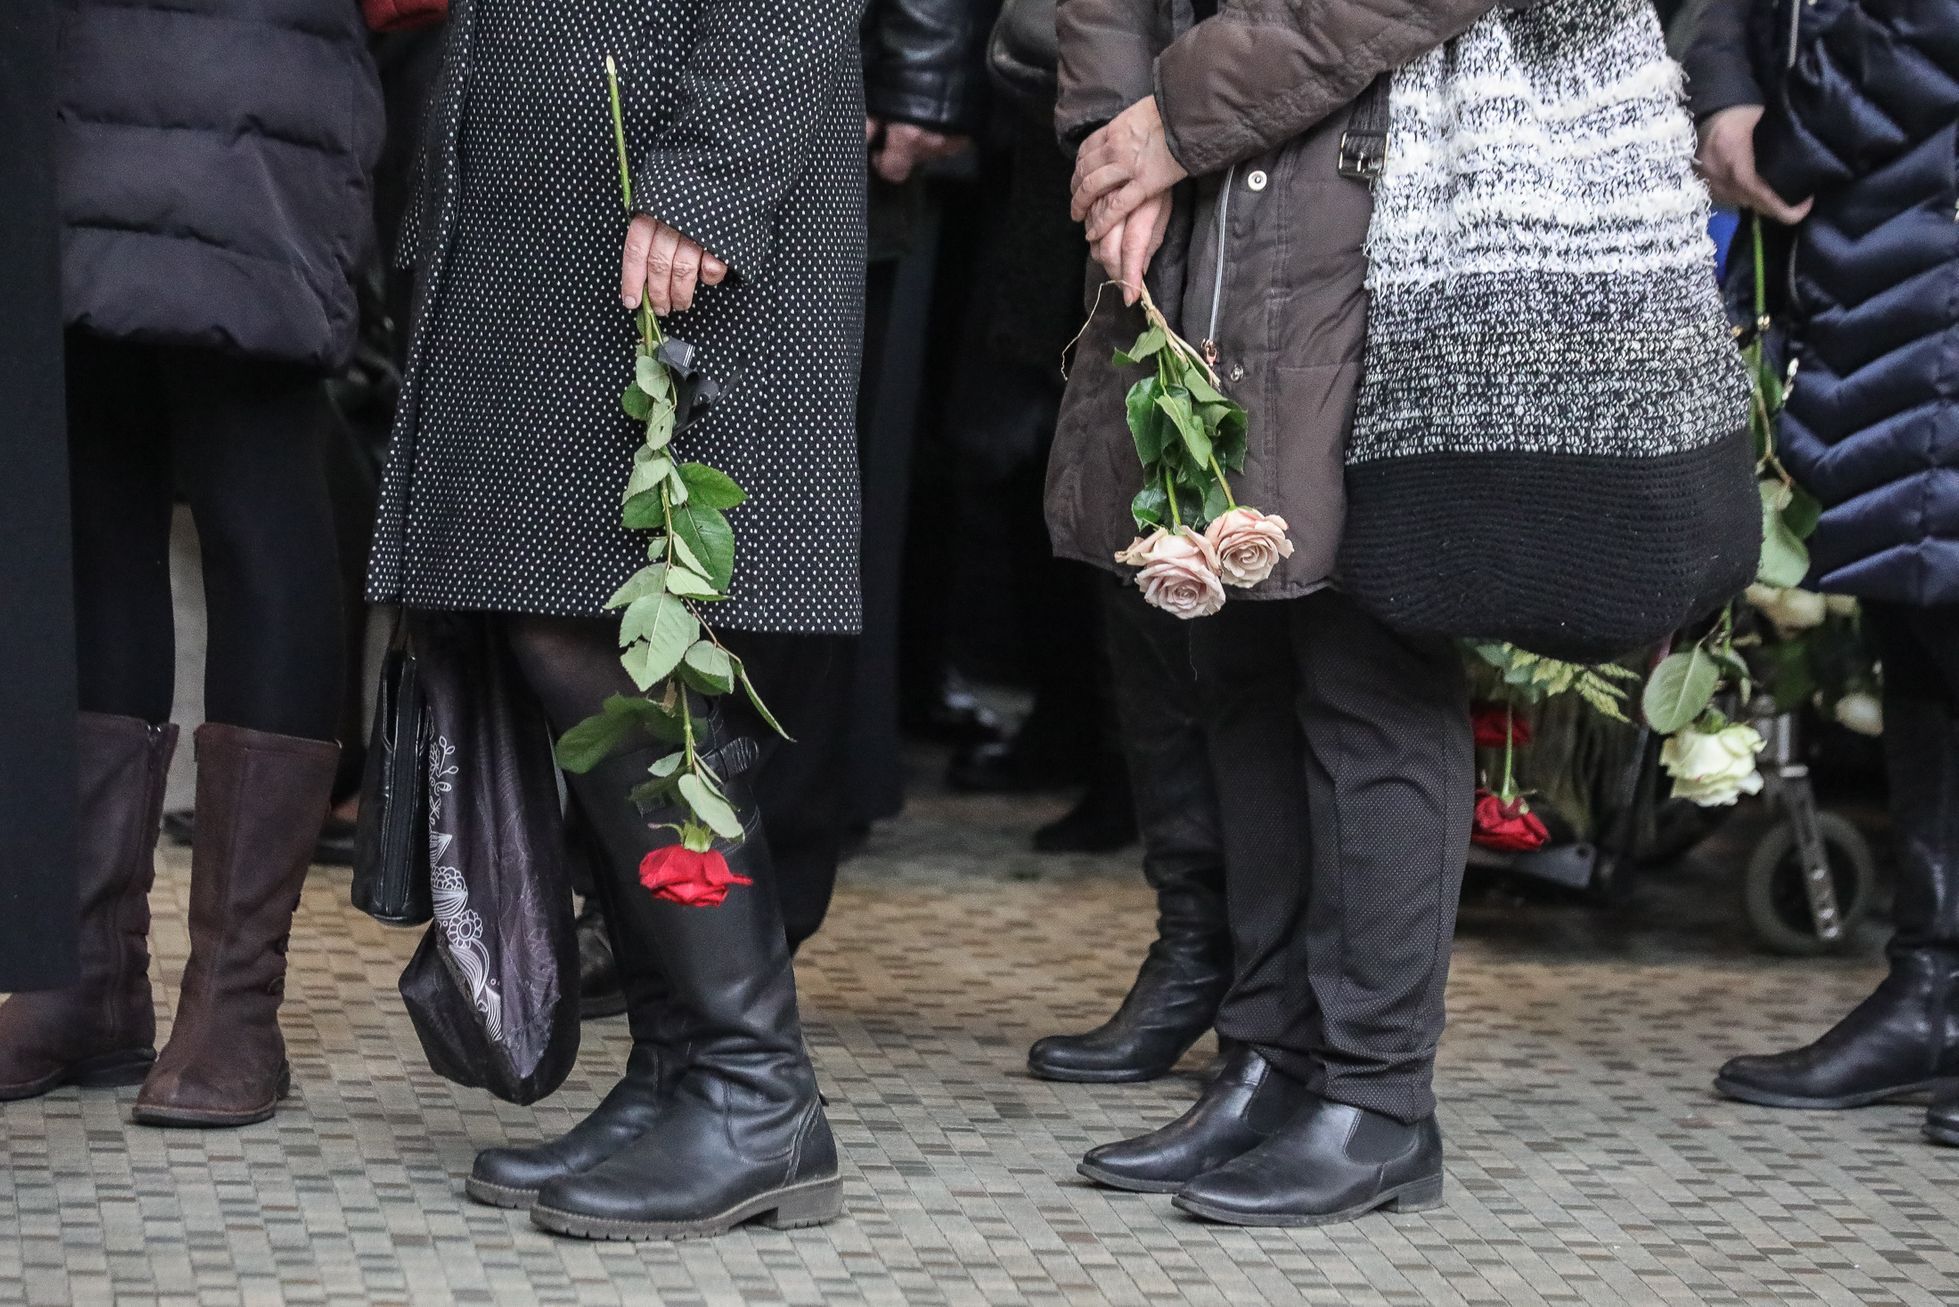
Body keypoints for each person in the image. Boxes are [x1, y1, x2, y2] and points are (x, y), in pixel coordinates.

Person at [366, 0, 865, 1238]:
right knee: (570, 627)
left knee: (619, 636)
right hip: (553, 206)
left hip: (661, 207)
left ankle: (756, 1090)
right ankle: (677, 1067)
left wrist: (712, 174)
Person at [1050, 0, 1498, 1227]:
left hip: (1382, 205)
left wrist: (1170, 118)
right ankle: (1268, 1054)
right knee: (1235, 648)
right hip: (1205, 211)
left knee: (1366, 662)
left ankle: (1377, 1096)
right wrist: (1111, 144)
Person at [0, 0, 381, 1127]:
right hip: (62, 69)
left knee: (256, 488)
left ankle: (234, 1004)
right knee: (88, 507)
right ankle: (83, 974)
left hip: (256, 75)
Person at [1688, 0, 1959, 1147]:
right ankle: (1934, 991)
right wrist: (1723, 91)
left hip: (1900, 201)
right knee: (1922, 622)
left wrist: (1779, 138)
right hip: (1879, 234)